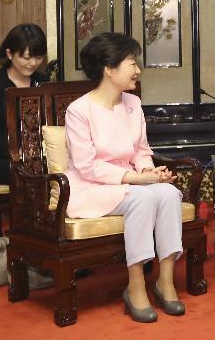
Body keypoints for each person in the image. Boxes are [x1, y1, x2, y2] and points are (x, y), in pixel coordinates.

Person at [64, 32, 185, 323]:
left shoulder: (132, 104)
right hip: (91, 187)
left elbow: (142, 150)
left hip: (130, 182)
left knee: (169, 193)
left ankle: (165, 281)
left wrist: (148, 171)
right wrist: (135, 179)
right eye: (132, 62)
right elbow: (87, 167)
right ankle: (135, 286)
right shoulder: (79, 111)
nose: (138, 70)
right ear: (109, 68)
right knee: (142, 198)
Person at [0, 24, 48, 187]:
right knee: (30, 173)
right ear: (9, 54)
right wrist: (16, 149)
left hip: (38, 156)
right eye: (26, 58)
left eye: (38, 57)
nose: (33, 63)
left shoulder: (43, 83)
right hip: (0, 159)